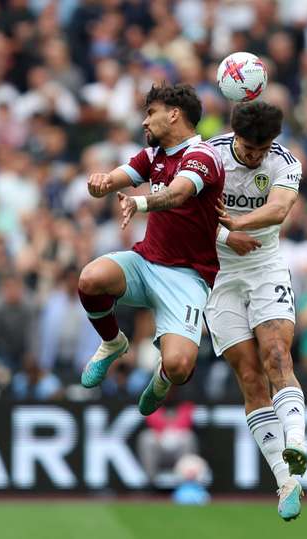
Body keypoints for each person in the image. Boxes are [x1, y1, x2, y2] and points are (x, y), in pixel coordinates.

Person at [76, 83, 225, 418]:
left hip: (188, 276)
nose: (144, 122)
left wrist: (139, 202)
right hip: (146, 262)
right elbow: (118, 178)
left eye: (151, 113)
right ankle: (114, 343)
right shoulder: (153, 155)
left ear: (173, 115)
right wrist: (101, 183)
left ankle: (161, 378)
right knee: (90, 278)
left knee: (180, 366)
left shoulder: (203, 156)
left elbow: (178, 194)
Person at [205, 101, 306, 521]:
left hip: (265, 265)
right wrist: (228, 239)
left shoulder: (285, 163)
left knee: (277, 356)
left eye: (260, 149)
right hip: (219, 273)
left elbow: (280, 209)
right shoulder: (209, 156)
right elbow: (184, 215)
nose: (252, 156)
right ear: (235, 135)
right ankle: (285, 481)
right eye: (247, 148)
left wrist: (237, 226)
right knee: (249, 375)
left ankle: (296, 444)